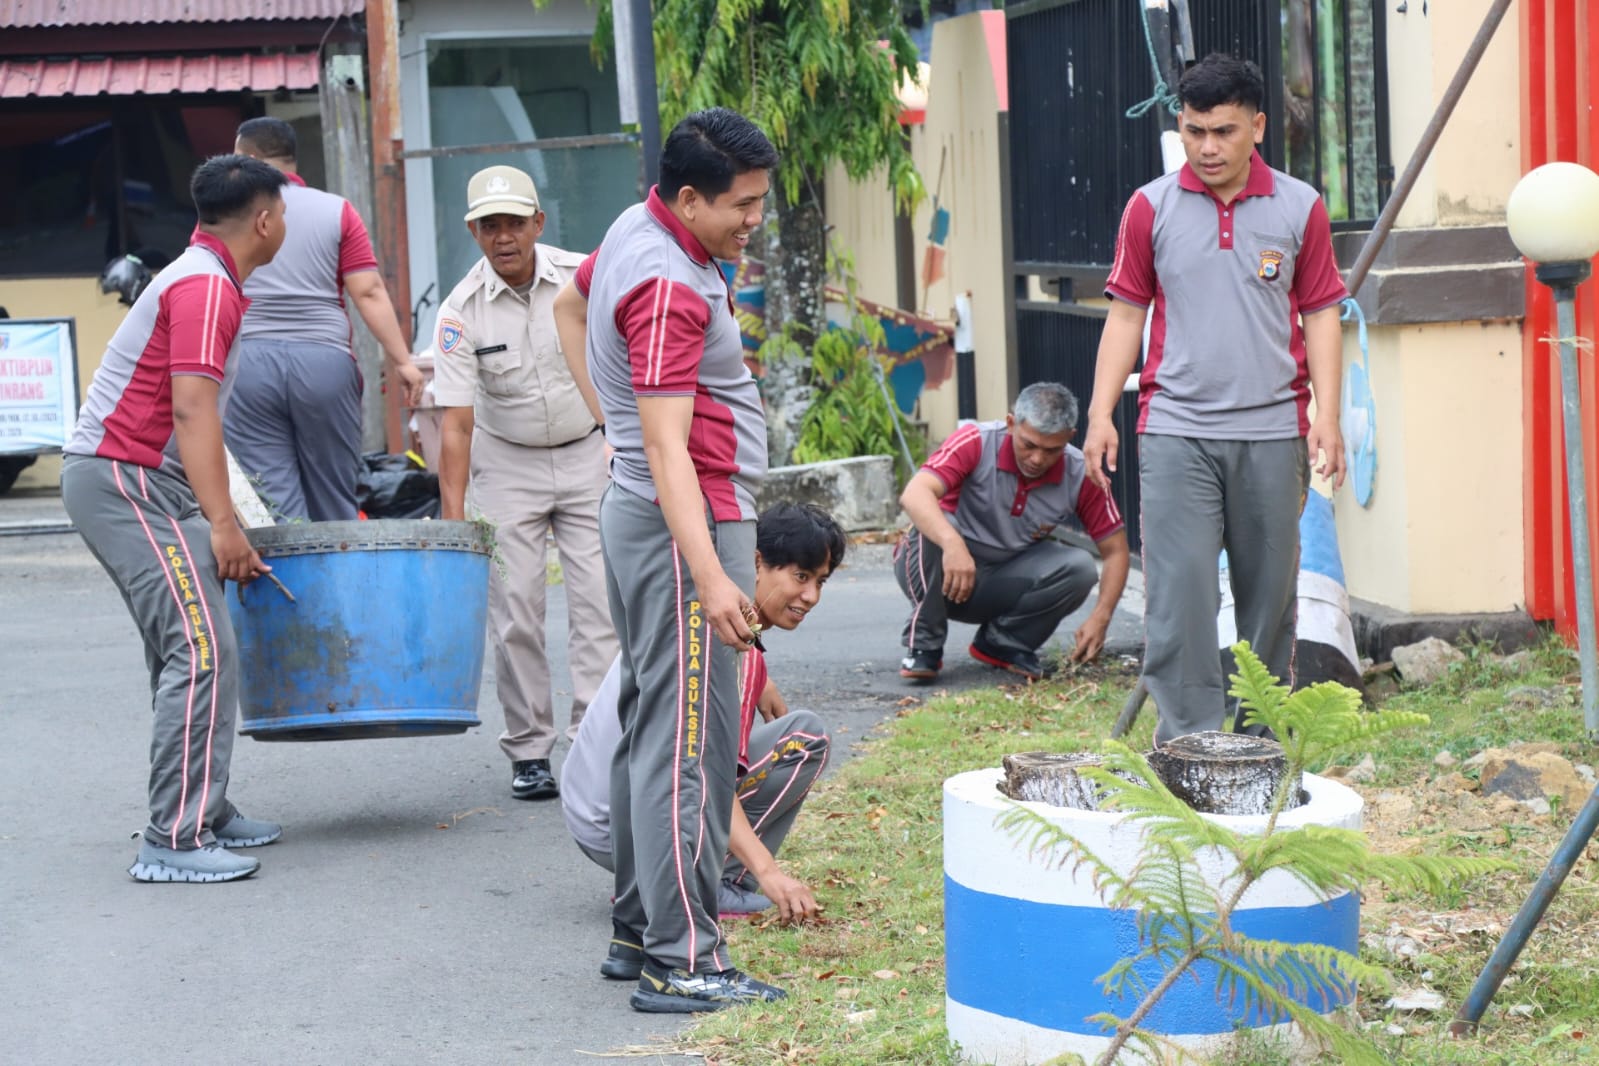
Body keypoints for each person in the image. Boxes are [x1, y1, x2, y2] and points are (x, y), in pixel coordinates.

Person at [573, 107, 783, 1013]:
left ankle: (636, 929)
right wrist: (708, 573)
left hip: (647, 512)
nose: (753, 222)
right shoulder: (668, 284)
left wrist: (608, 422)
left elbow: (567, 299)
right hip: (681, 523)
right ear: (688, 199)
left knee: (649, 724)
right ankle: (682, 955)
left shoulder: (638, 226)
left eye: (762, 203)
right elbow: (668, 451)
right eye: (741, 206)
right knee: (687, 746)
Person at [1081, 53, 1348, 745]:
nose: (1206, 147)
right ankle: (1190, 742)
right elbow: (1124, 313)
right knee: (1179, 599)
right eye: (1195, 130)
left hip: (1273, 431)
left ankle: (1256, 744)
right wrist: (1099, 414)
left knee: (1268, 600)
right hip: (1174, 430)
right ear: (1180, 123)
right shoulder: (1149, 208)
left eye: (1223, 131)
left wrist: (1327, 417)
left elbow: (1320, 312)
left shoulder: (1299, 207)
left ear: (1256, 127)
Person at [60, 155, 288, 883]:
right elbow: (193, 408)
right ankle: (174, 840)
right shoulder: (205, 286)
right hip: (122, 479)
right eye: (282, 211)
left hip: (144, 480)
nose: (283, 223)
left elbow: (193, 419)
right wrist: (222, 523)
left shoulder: (203, 275)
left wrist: (221, 516)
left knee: (196, 644)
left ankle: (205, 809)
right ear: (264, 221)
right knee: (198, 646)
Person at [563, 503, 844, 979]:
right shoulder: (724, 641)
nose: (811, 595)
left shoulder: (700, 615)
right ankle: (715, 884)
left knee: (782, 734)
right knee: (804, 738)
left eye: (820, 581)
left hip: (599, 818)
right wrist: (768, 873)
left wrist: (760, 676)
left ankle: (649, 895)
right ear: (754, 561)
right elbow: (703, 778)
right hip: (625, 828)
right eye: (800, 576)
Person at [432, 165, 616, 802]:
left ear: (539, 223)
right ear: (474, 231)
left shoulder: (585, 275)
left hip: (590, 451)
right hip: (506, 463)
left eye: (515, 222)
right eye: (490, 225)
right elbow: (454, 426)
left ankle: (594, 739)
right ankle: (530, 750)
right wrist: (455, 522)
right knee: (516, 613)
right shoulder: (460, 312)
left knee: (600, 603)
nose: (503, 236)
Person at [224, 116, 424, 522]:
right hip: (325, 364)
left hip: (249, 365)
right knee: (335, 498)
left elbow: (208, 288)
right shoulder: (337, 211)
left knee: (274, 503)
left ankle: (293, 584)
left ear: (247, 157)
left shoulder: (226, 215)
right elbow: (367, 290)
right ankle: (337, 582)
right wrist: (403, 361)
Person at [895, 382, 1130, 682]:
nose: (1037, 459)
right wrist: (953, 544)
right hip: (938, 570)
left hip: (1000, 579)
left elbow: (1117, 550)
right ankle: (924, 645)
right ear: (1010, 424)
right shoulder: (976, 441)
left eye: (1051, 450)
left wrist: (1102, 616)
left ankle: (1004, 643)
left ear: (1069, 438)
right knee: (934, 524)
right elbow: (914, 494)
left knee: (1080, 568)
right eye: (1028, 445)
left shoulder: (1081, 472)